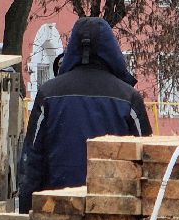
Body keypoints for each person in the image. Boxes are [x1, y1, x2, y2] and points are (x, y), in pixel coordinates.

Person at [16, 17, 151, 209]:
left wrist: (25, 214)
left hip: (57, 208)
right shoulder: (128, 97)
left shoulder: (49, 94)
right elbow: (147, 159)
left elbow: (32, 160)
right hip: (114, 209)